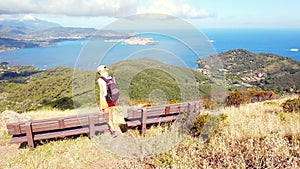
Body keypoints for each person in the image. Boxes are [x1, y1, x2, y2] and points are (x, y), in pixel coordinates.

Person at [97, 65, 118, 138]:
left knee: (106, 117)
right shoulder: (111, 78)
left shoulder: (100, 80)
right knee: (110, 116)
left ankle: (114, 131)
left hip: (105, 100)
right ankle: (112, 131)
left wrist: (100, 105)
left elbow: (101, 92)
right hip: (112, 100)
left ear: (100, 72)